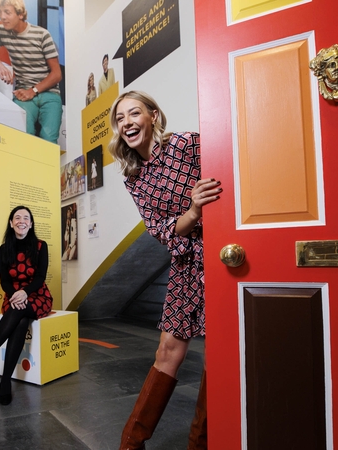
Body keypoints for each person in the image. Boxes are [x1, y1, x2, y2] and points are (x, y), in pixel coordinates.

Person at [109, 91, 222, 450]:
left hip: (221, 256)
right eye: (120, 118)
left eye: (134, 113)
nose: (127, 122)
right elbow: (159, 229)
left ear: (153, 116)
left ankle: (199, 443)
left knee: (218, 351)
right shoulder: (133, 177)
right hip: (186, 262)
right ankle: (131, 442)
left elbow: (231, 175)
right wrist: (191, 212)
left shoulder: (188, 144)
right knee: (167, 351)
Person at [0, 205, 53, 405]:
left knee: (18, 312)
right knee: (21, 322)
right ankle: (5, 382)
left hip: (37, 296)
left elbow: (40, 277)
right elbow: (4, 281)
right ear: (11, 223)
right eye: (17, 217)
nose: (21, 221)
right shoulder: (4, 249)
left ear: (31, 224)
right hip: (13, 297)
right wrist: (16, 294)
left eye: (26, 218)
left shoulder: (41, 246)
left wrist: (25, 293)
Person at [0, 0, 63, 144]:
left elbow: (56, 74)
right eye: (0, 12)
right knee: (23, 136)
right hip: (23, 94)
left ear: (20, 14)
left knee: (49, 140)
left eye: (7, 12)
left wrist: (33, 90)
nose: (3, 17)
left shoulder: (42, 34)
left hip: (49, 93)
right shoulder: (1, 31)